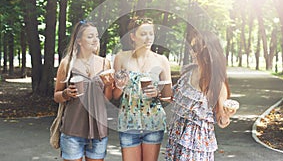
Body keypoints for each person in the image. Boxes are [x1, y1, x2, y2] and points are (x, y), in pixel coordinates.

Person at [165, 31, 237, 161]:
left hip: (197, 147)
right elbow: (174, 99)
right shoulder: (187, 74)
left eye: (194, 48)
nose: (192, 52)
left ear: (206, 54)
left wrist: (227, 114)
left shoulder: (217, 84)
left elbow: (222, 122)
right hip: (176, 139)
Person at [112, 16, 173, 161]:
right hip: (128, 122)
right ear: (133, 36)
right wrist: (120, 86)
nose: (148, 38)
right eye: (143, 34)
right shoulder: (121, 58)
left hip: (154, 122)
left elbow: (168, 96)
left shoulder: (162, 60)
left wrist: (157, 93)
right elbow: (115, 96)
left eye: (151, 34)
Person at [54, 21, 113, 161]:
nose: (95, 40)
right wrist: (66, 94)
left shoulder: (105, 63)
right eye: (90, 36)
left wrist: (109, 85)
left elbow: (106, 100)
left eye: (97, 36)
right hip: (73, 130)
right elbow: (56, 96)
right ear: (79, 40)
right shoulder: (67, 63)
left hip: (99, 131)